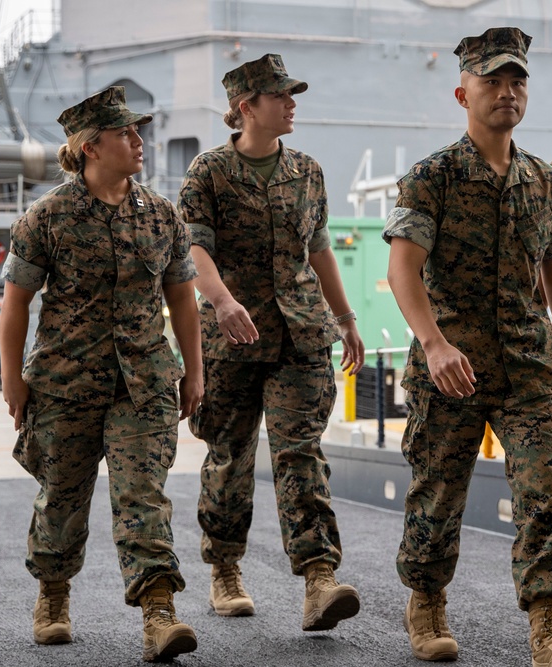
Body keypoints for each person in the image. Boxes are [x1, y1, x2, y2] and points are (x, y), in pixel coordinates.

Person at [384, 27, 552, 667]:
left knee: (544, 489)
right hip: (449, 369)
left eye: (517, 82)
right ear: (463, 93)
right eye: (492, 82)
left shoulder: (545, 181)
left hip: (529, 367)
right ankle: (425, 603)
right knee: (438, 492)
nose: (507, 93)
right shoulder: (433, 177)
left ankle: (549, 630)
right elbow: (403, 271)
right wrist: (433, 344)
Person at [0, 86, 202, 662]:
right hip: (65, 384)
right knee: (62, 498)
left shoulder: (162, 215)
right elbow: (15, 303)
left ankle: (159, 614)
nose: (139, 143)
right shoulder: (47, 217)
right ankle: (53, 597)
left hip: (144, 382)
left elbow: (183, 300)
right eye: (126, 134)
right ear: (90, 148)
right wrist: (12, 380)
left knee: (145, 498)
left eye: (138, 133)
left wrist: (194, 371)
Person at [178, 53, 365, 632]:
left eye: (292, 95)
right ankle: (226, 569)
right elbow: (194, 247)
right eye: (279, 96)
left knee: (299, 451)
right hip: (232, 338)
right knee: (230, 455)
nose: (291, 104)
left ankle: (318, 578)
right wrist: (222, 298)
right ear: (245, 107)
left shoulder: (307, 170)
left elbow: (319, 248)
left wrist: (346, 317)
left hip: (300, 334)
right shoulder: (207, 171)